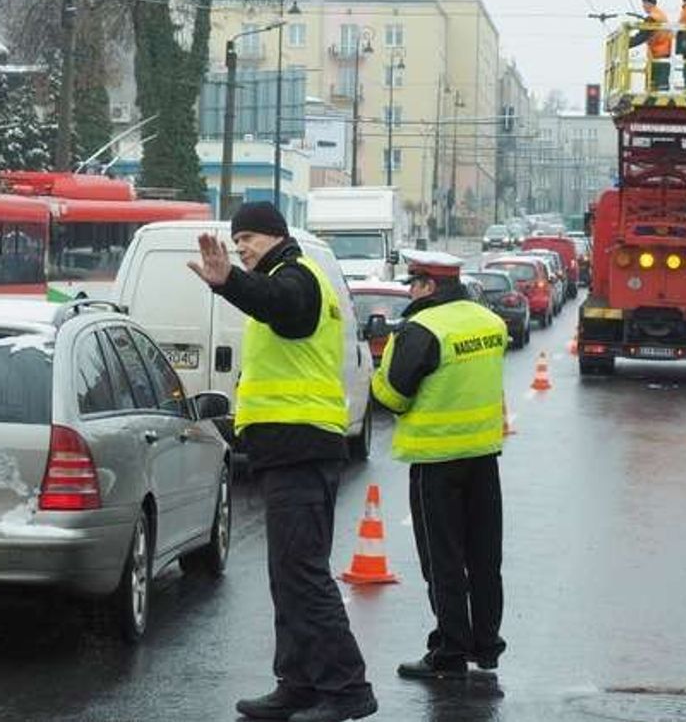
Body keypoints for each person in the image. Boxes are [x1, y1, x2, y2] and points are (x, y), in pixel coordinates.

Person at [188, 201, 376, 722]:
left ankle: (346, 689)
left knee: (303, 574)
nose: (240, 247)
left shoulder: (297, 278)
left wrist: (229, 284)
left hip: (302, 448)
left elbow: (281, 306)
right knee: (288, 575)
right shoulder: (285, 278)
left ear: (274, 235)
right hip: (290, 449)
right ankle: (297, 683)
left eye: (247, 237)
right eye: (237, 239)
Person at [370, 250, 508, 682]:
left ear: (430, 286)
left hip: (436, 461)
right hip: (483, 457)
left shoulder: (423, 328)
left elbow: (392, 396)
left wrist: (385, 363)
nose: (409, 290)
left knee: (442, 559)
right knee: (484, 556)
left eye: (413, 283)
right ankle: (486, 646)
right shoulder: (490, 321)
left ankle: (449, 649)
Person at [630, 0, 673, 90]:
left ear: (649, 3)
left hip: (660, 51)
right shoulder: (659, 14)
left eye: (644, 4)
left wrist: (627, 43)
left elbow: (643, 35)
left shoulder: (654, 17)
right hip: (662, 51)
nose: (643, 6)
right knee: (658, 84)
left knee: (660, 84)